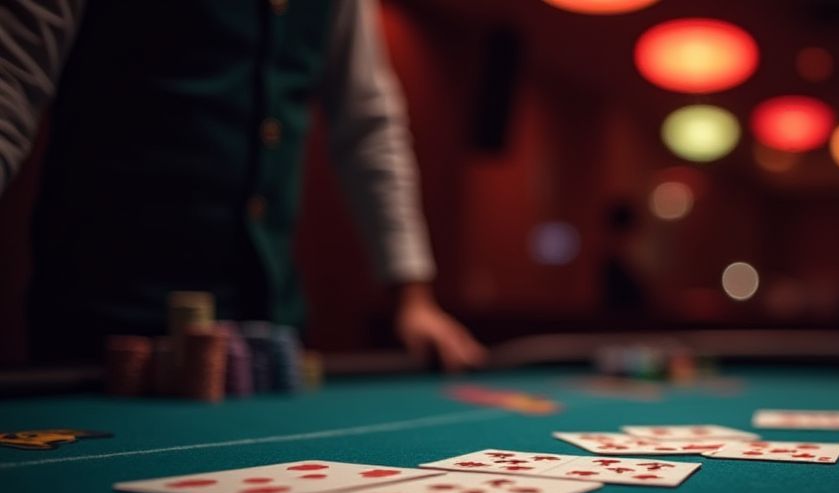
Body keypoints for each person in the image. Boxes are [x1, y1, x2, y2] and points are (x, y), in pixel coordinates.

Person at [0, 0, 485, 371]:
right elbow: (10, 85)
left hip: (268, 327)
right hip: (100, 317)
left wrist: (412, 298)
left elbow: (369, 127)